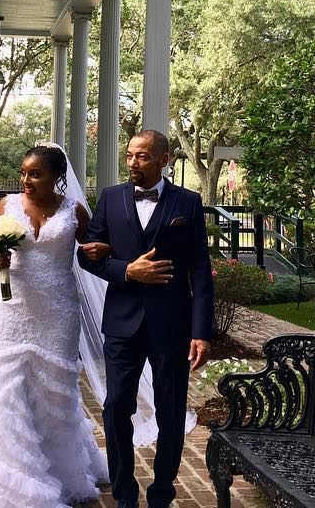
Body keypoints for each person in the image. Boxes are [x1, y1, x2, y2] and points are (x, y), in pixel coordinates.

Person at [0, 143, 111, 508]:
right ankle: (15, 473)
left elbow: (94, 248)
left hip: (58, 309)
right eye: (23, 173)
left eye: (35, 174)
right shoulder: (7, 205)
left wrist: (101, 250)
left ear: (57, 177)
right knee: (11, 387)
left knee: (56, 390)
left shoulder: (74, 211)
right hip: (11, 307)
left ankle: (63, 471)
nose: (26, 180)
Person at [77, 129, 214, 508]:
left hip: (172, 323)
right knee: (116, 406)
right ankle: (124, 493)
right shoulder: (110, 198)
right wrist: (126, 270)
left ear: (163, 160)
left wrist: (201, 331)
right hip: (122, 322)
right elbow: (87, 255)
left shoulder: (188, 202)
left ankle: (161, 493)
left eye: (142, 156)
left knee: (171, 410)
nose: (133, 162)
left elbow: (200, 269)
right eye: (129, 155)